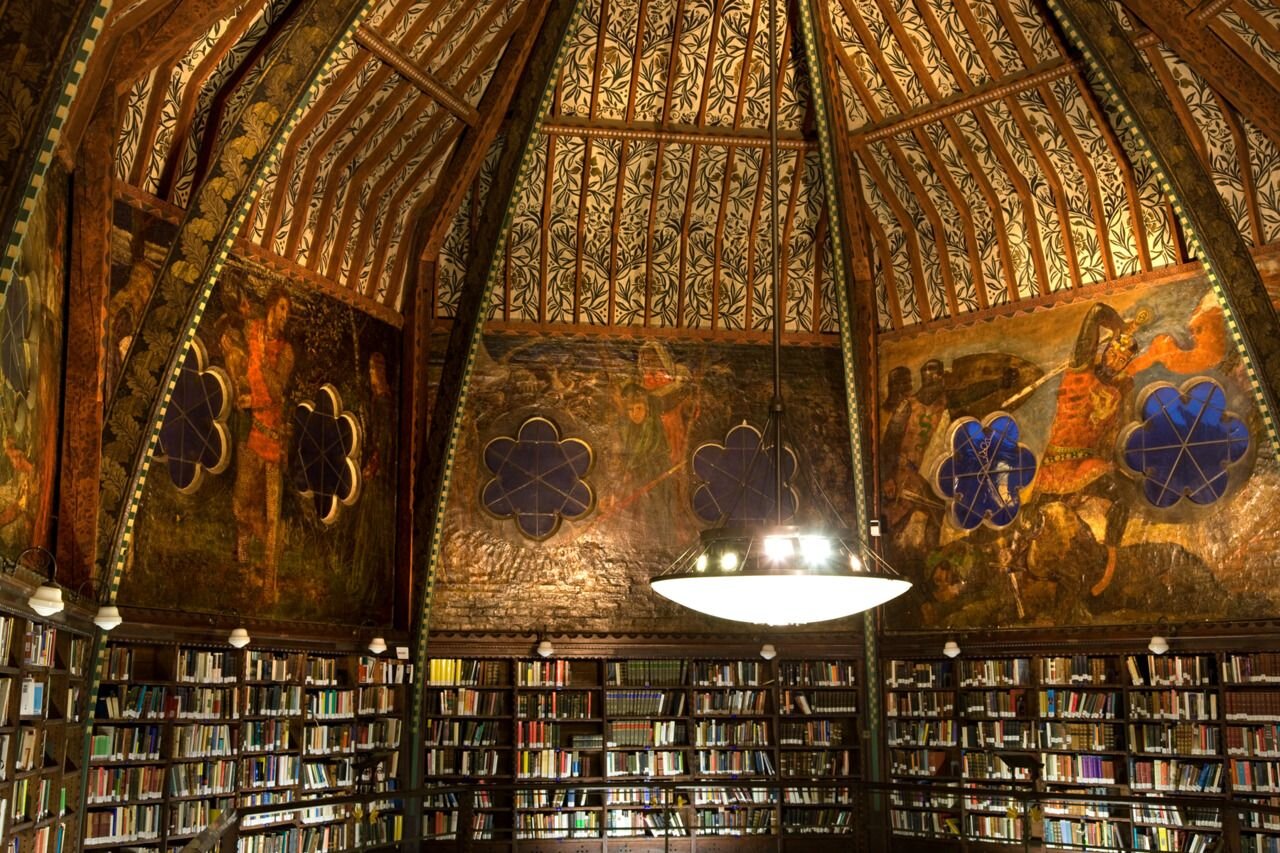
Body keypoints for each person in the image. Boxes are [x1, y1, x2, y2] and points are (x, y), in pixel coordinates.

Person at [1034, 302, 1146, 597]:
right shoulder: (1080, 370)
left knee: (1125, 492)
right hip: (1058, 462)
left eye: (1123, 359)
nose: (1116, 360)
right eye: (1113, 352)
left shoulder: (1117, 393)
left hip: (1090, 464)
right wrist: (1121, 326)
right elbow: (1096, 311)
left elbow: (1110, 439)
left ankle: (1110, 560)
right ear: (1105, 349)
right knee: (1031, 523)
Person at [231, 288, 295, 600]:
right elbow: (242, 357)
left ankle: (269, 585)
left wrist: (251, 398)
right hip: (252, 433)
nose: (285, 316)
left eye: (288, 312)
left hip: (274, 440)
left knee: (273, 516)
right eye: (282, 309)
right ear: (271, 307)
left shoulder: (286, 352)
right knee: (242, 502)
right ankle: (242, 563)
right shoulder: (254, 331)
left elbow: (276, 392)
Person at [882, 359, 949, 558]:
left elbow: (969, 393)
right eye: (930, 374)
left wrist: (998, 383)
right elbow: (890, 443)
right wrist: (887, 477)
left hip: (929, 475)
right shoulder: (907, 406)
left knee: (936, 517)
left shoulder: (945, 402)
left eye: (937, 375)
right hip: (904, 475)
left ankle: (928, 564)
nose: (935, 378)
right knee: (897, 521)